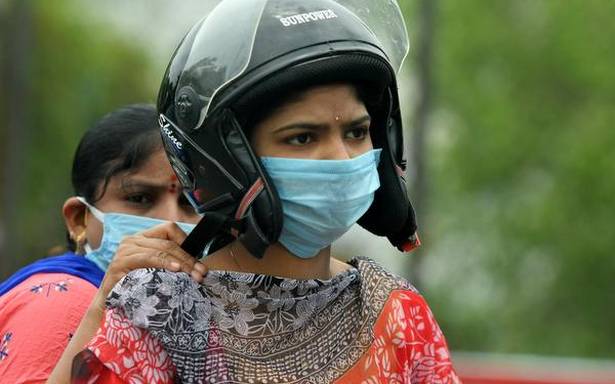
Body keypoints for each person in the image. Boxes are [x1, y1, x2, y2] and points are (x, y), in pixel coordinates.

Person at [71, 0, 460, 383]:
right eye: (303, 137)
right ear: (230, 161)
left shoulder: (397, 312)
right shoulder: (162, 308)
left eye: (356, 133)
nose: (340, 158)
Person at [0, 104, 207, 383]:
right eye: (140, 198)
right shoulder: (65, 300)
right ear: (79, 220)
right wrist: (99, 310)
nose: (170, 221)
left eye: (189, 202)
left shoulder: (170, 314)